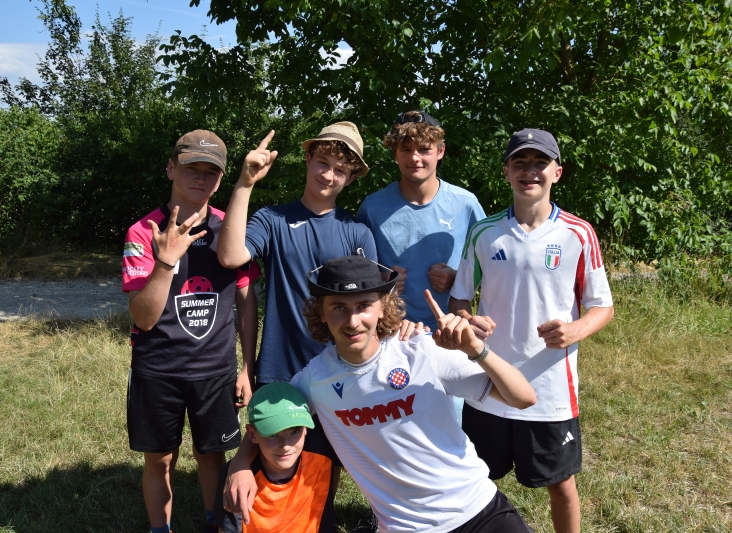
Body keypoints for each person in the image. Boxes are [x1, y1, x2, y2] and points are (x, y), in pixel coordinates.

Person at [225, 255, 538, 532]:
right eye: (338, 307)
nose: (353, 321)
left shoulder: (420, 351)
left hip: (478, 508)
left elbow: (523, 398)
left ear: (382, 307)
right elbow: (269, 417)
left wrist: (476, 350)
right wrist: (240, 465)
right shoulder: (313, 381)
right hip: (405, 526)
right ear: (321, 312)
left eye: (363, 305)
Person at [449, 129, 615, 533]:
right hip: (488, 383)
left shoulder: (578, 233)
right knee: (470, 480)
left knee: (561, 485)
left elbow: (603, 307)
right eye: (520, 162)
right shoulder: (484, 232)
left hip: (550, 388)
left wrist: (575, 330)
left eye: (540, 162)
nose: (530, 171)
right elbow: (459, 300)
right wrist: (469, 319)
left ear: (557, 172)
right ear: (506, 172)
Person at [122, 130, 260, 533]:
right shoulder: (143, 231)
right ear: (171, 168)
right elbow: (143, 318)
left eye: (210, 172)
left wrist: (247, 368)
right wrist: (165, 261)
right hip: (157, 368)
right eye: (191, 168)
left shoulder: (231, 229)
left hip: (215, 369)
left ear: (220, 180)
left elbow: (246, 300)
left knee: (212, 456)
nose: (200, 178)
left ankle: (214, 524)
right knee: (160, 459)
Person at [217, 122, 377, 385]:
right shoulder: (271, 220)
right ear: (308, 159)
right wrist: (245, 183)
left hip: (342, 373)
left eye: (340, 170)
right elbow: (230, 257)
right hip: (279, 372)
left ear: (351, 178)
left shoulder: (358, 233)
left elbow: (371, 307)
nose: (328, 175)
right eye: (323, 163)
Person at [356, 110, 485, 331]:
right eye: (406, 149)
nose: (414, 158)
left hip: (450, 331)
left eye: (424, 149)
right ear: (395, 154)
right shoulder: (372, 207)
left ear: (440, 151)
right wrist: (380, 281)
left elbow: (492, 268)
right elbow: (357, 270)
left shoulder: (466, 204)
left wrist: (457, 279)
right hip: (392, 332)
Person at [214, 382, 339, 533]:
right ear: (252, 434)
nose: (286, 446)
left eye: (295, 431)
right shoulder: (238, 477)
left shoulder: (322, 448)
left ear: (306, 428)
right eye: (273, 434)